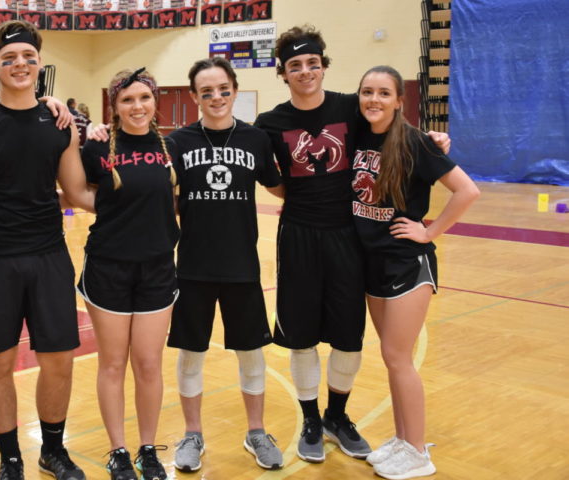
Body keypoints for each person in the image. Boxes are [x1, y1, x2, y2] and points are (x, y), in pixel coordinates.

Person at [253, 25, 449, 465]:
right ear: (282, 74)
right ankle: (308, 420)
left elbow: (391, 126)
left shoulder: (350, 107)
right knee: (300, 336)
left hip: (349, 237)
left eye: (312, 63)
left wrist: (431, 140)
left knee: (348, 336)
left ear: (323, 65)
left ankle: (336, 417)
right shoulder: (270, 124)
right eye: (295, 66)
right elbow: (275, 184)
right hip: (299, 238)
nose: (305, 72)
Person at [0, 20, 90, 480]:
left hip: (48, 255)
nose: (19, 64)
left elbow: (78, 192)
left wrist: (144, 203)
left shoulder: (60, 123)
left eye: (28, 57)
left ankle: (52, 451)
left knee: (59, 360)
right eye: (9, 58)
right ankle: (9, 459)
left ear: (39, 63)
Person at [352, 66, 478, 480]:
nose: (374, 100)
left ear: (398, 100)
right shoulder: (359, 136)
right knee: (392, 360)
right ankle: (404, 439)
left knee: (397, 357)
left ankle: (418, 452)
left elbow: (467, 190)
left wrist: (430, 231)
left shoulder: (416, 142)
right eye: (367, 92)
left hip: (407, 264)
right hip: (371, 262)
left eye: (383, 93)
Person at [167, 57, 285, 473]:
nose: (215, 97)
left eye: (222, 89)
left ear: (234, 90)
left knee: (251, 352)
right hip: (193, 267)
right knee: (191, 354)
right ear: (194, 96)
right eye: (206, 91)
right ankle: (192, 434)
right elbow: (159, 193)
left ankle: (256, 432)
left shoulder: (255, 140)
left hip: (242, 266)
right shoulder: (178, 142)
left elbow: (282, 186)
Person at [67, 68, 178, 480]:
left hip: (158, 268)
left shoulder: (173, 147)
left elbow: (177, 199)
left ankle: (148, 448)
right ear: (114, 106)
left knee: (149, 363)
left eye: (144, 98)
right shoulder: (97, 147)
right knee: (112, 364)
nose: (137, 107)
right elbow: (75, 191)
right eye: (127, 100)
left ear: (155, 102)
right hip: (108, 267)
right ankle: (118, 450)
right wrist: (116, 212)